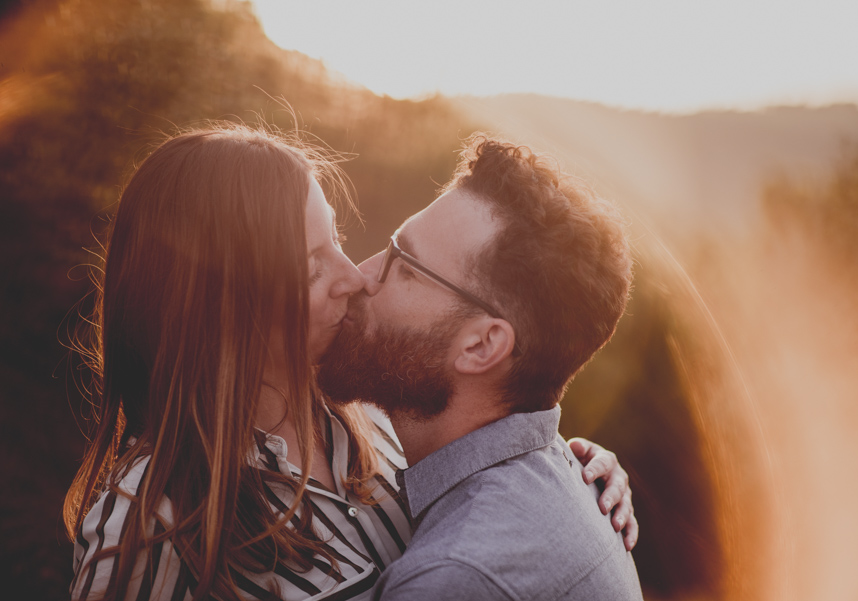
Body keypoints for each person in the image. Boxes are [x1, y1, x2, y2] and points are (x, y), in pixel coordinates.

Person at [65, 125, 637, 601]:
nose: (355, 276)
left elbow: (483, 469)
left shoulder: (381, 418)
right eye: (314, 265)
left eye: (336, 239)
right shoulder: (149, 522)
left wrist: (558, 476)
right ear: (223, 307)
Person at [318, 136, 642, 600]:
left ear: (481, 346)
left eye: (404, 266)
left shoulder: (454, 578)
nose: (360, 275)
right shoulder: (566, 479)